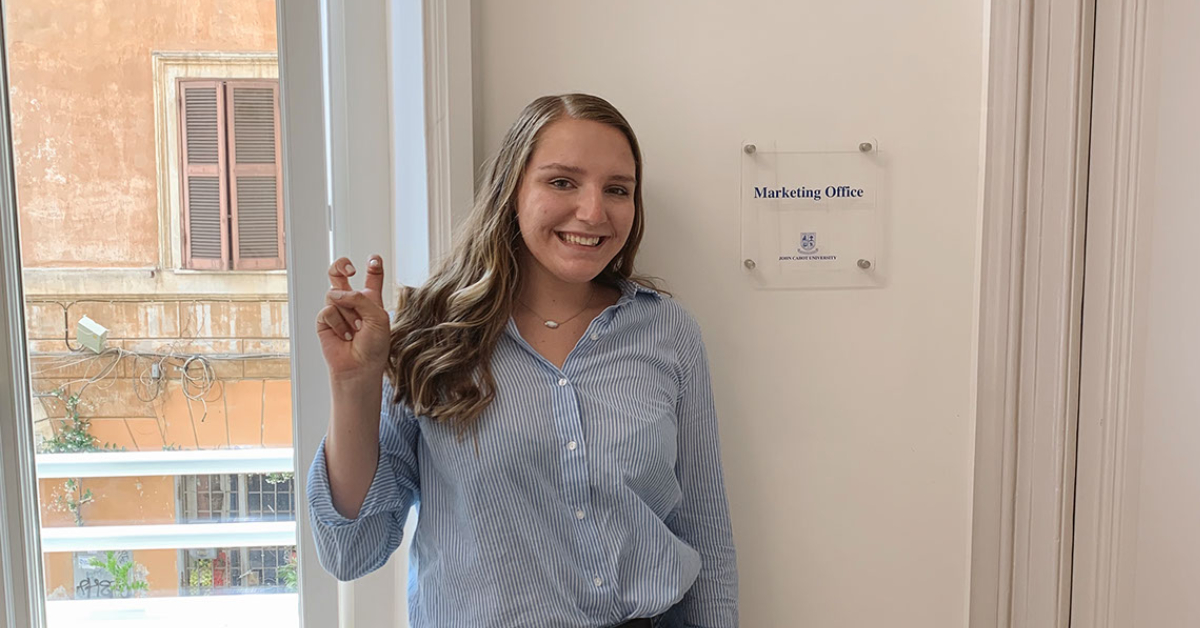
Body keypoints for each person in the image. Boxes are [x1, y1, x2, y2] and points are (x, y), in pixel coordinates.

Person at [307, 93, 738, 627]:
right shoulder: (430, 337)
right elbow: (352, 551)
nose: (593, 211)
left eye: (617, 190)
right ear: (512, 191)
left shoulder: (669, 334)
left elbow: (705, 533)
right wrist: (355, 385)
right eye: (562, 182)